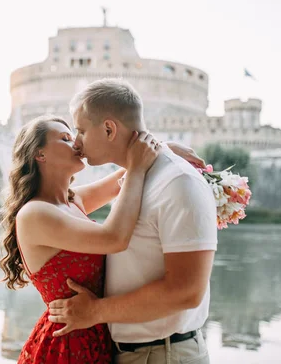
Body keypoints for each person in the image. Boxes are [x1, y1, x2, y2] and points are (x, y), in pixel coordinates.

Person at [0, 115, 204, 363]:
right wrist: (138, 169)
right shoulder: (35, 213)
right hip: (67, 343)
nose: (76, 144)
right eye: (64, 139)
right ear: (39, 154)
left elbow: (119, 181)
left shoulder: (73, 201)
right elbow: (114, 238)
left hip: (98, 334)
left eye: (74, 136)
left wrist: (164, 149)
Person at [48, 78, 218, 364]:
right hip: (139, 352)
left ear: (109, 129)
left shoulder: (179, 182)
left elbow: (186, 292)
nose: (77, 142)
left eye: (80, 131)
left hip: (163, 354)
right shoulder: (137, 177)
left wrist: (95, 312)